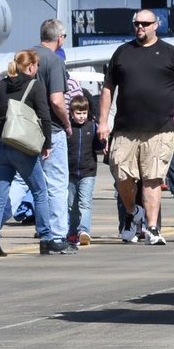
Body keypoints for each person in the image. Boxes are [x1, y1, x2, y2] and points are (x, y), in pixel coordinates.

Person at [97, 10, 174, 246]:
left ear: (156, 25)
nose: (140, 27)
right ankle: (133, 213)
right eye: (137, 23)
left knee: (153, 178)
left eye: (145, 23)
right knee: (122, 176)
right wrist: (103, 122)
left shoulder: (170, 54)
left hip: (160, 128)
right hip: (125, 128)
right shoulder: (122, 52)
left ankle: (152, 228)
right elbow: (108, 89)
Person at [0, 50, 71, 255]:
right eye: (36, 66)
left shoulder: (2, 84)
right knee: (40, 191)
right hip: (23, 148)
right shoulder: (34, 86)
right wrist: (47, 143)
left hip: (1, 144)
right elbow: (45, 117)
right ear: (30, 67)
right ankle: (46, 237)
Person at [32, 19, 75, 252]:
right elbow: (57, 100)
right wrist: (67, 122)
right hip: (51, 131)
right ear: (59, 38)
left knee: (24, 183)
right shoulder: (55, 61)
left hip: (24, 130)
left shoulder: (25, 57)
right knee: (56, 185)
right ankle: (57, 236)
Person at [66, 95, 100, 246]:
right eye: (78, 113)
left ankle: (84, 231)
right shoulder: (67, 129)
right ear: (71, 113)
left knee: (85, 203)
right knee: (71, 206)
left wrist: (102, 141)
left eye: (84, 113)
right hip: (70, 173)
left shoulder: (92, 127)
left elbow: (98, 146)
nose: (81, 116)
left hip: (88, 172)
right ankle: (72, 233)